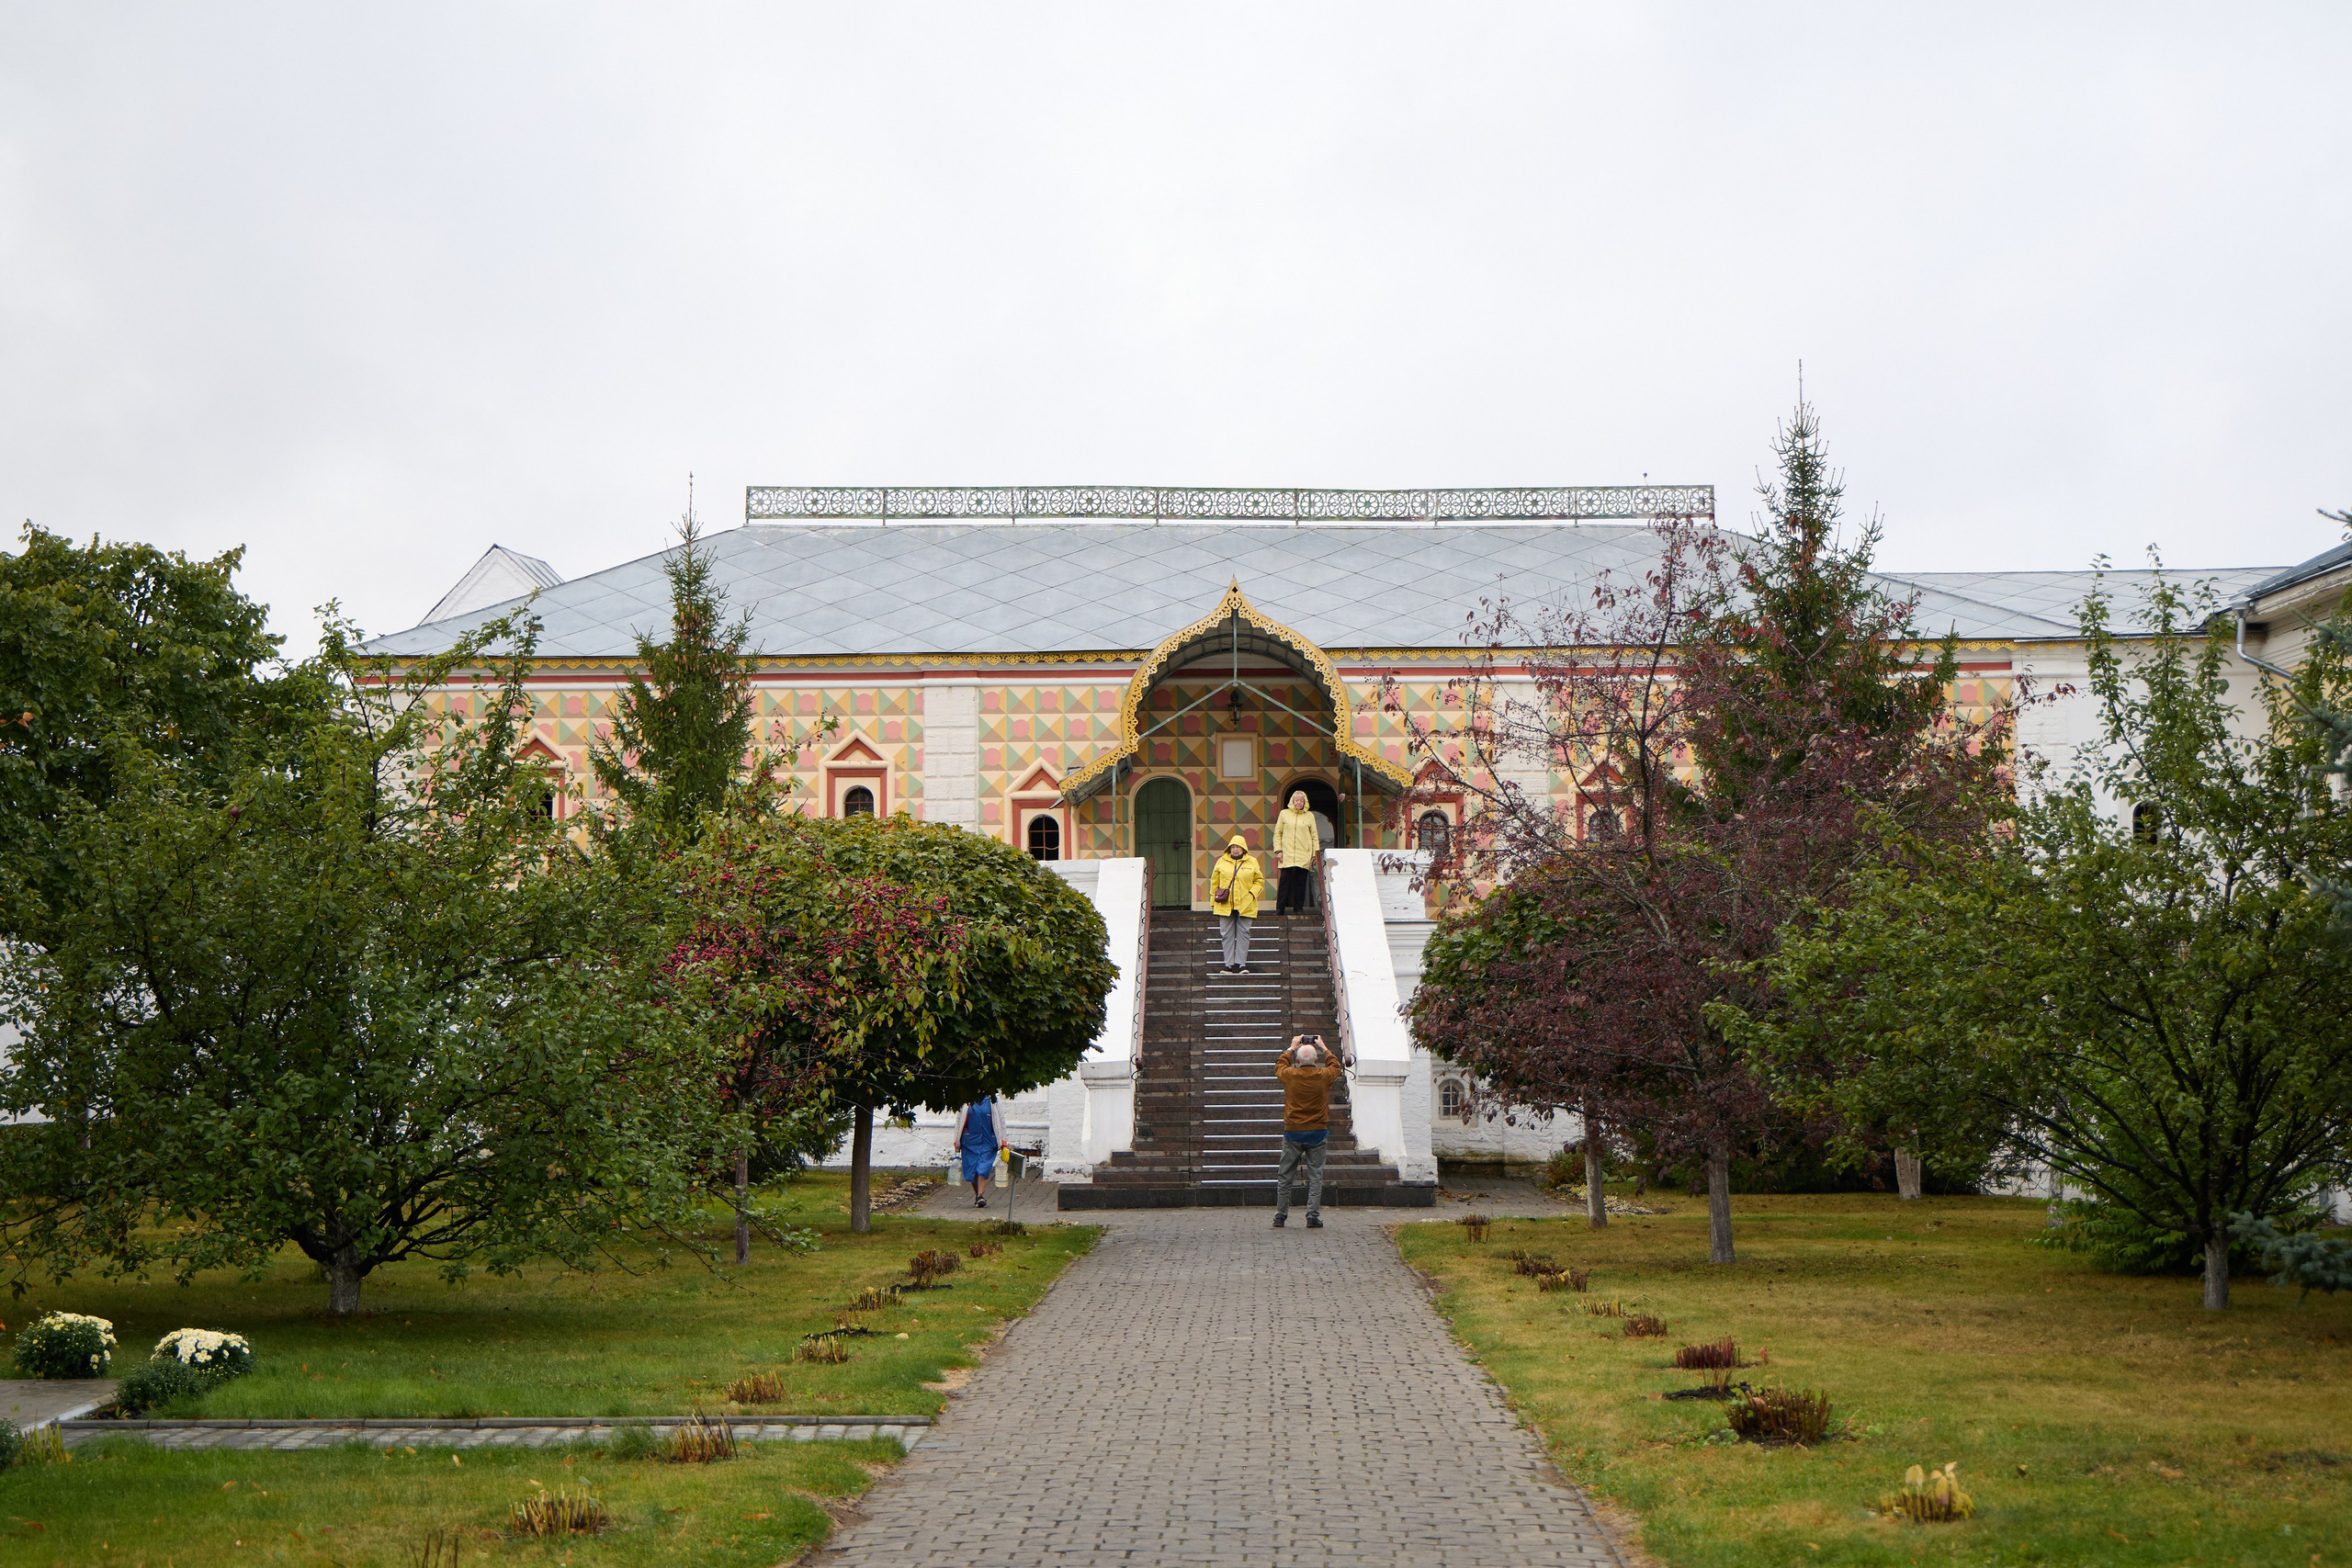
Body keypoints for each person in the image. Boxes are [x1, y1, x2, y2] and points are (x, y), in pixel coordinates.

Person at [1272, 1034, 1345, 1228]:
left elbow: (1279, 1066)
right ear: (1316, 1061)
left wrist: (1291, 1047)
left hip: (1293, 1131)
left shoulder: (1290, 1075)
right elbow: (1336, 1066)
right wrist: (1323, 1047)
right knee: (1315, 1176)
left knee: (1285, 1176)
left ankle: (1280, 1216)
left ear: (1297, 1061)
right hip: (1318, 1132)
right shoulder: (1323, 1076)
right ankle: (1312, 1215)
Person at [1209, 832, 1263, 973]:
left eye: (1238, 847)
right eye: (1232, 847)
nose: (1235, 849)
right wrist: (1213, 901)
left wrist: (1252, 893)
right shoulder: (1222, 861)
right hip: (1225, 903)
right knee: (1226, 934)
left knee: (1244, 933)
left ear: (1244, 848)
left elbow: (1259, 881)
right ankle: (1228, 964)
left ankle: (1241, 964)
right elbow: (1214, 882)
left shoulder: (1252, 861)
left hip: (1246, 904)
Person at [954, 1095, 1005, 1208]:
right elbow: (959, 1120)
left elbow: (1001, 1120)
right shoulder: (965, 1098)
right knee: (972, 1169)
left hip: (988, 1140)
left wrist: (1003, 1141)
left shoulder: (993, 1100)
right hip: (969, 1141)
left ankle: (980, 1195)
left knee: (984, 1168)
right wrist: (956, 1142)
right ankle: (978, 1196)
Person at [1274, 790, 1320, 915]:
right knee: (1285, 881)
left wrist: (1314, 855)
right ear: (1292, 801)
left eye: (1301, 800)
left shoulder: (1309, 816)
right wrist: (1278, 850)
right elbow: (1277, 833)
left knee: (1301, 882)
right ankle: (1280, 908)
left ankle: (1298, 908)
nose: (1299, 802)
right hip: (1287, 853)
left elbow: (1314, 836)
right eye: (1296, 800)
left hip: (1303, 853)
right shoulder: (1284, 814)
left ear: (1305, 802)